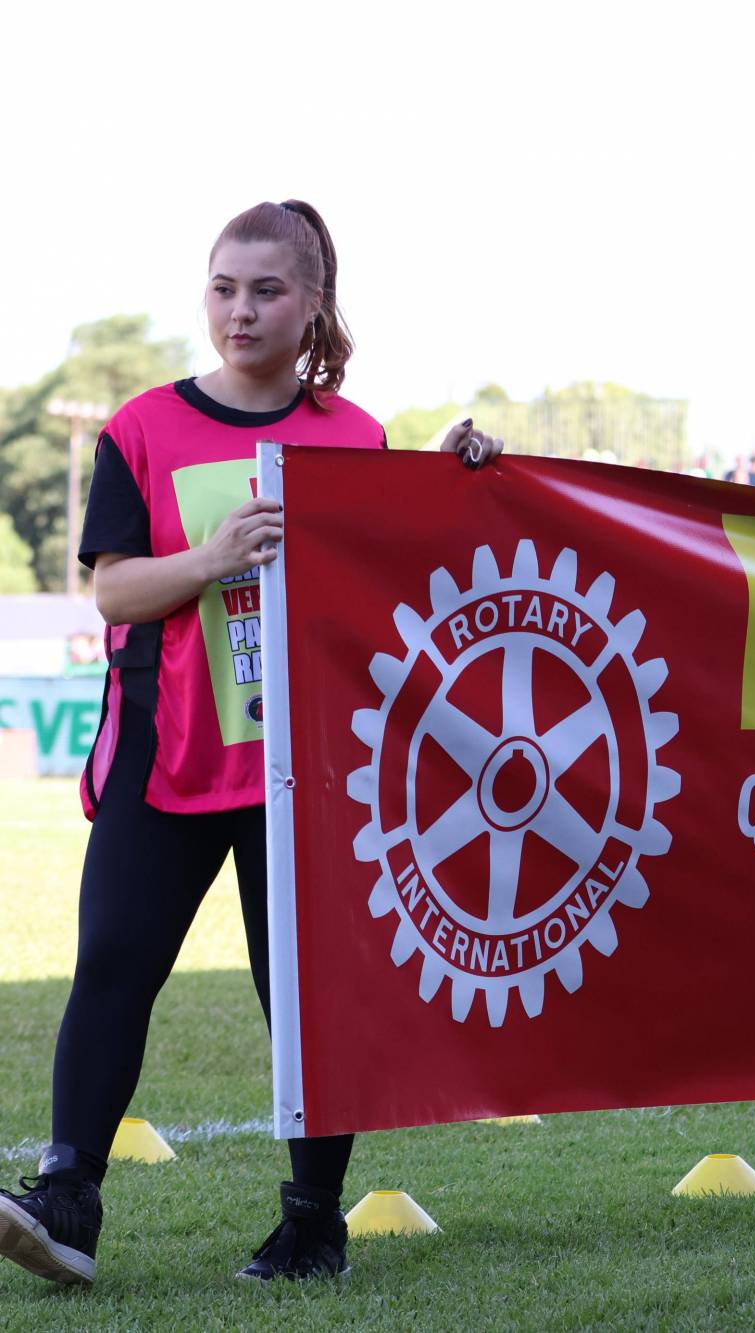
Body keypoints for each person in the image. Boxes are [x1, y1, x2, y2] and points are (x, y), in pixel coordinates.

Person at [0, 200, 504, 1287]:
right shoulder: (143, 426)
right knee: (114, 970)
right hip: (165, 754)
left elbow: (401, 571)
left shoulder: (354, 436)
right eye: (224, 286)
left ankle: (313, 1226)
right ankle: (67, 1201)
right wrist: (217, 556)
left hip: (308, 767)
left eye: (266, 290)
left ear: (314, 303)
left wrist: (456, 470)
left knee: (307, 1000)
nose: (240, 309)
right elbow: (116, 588)